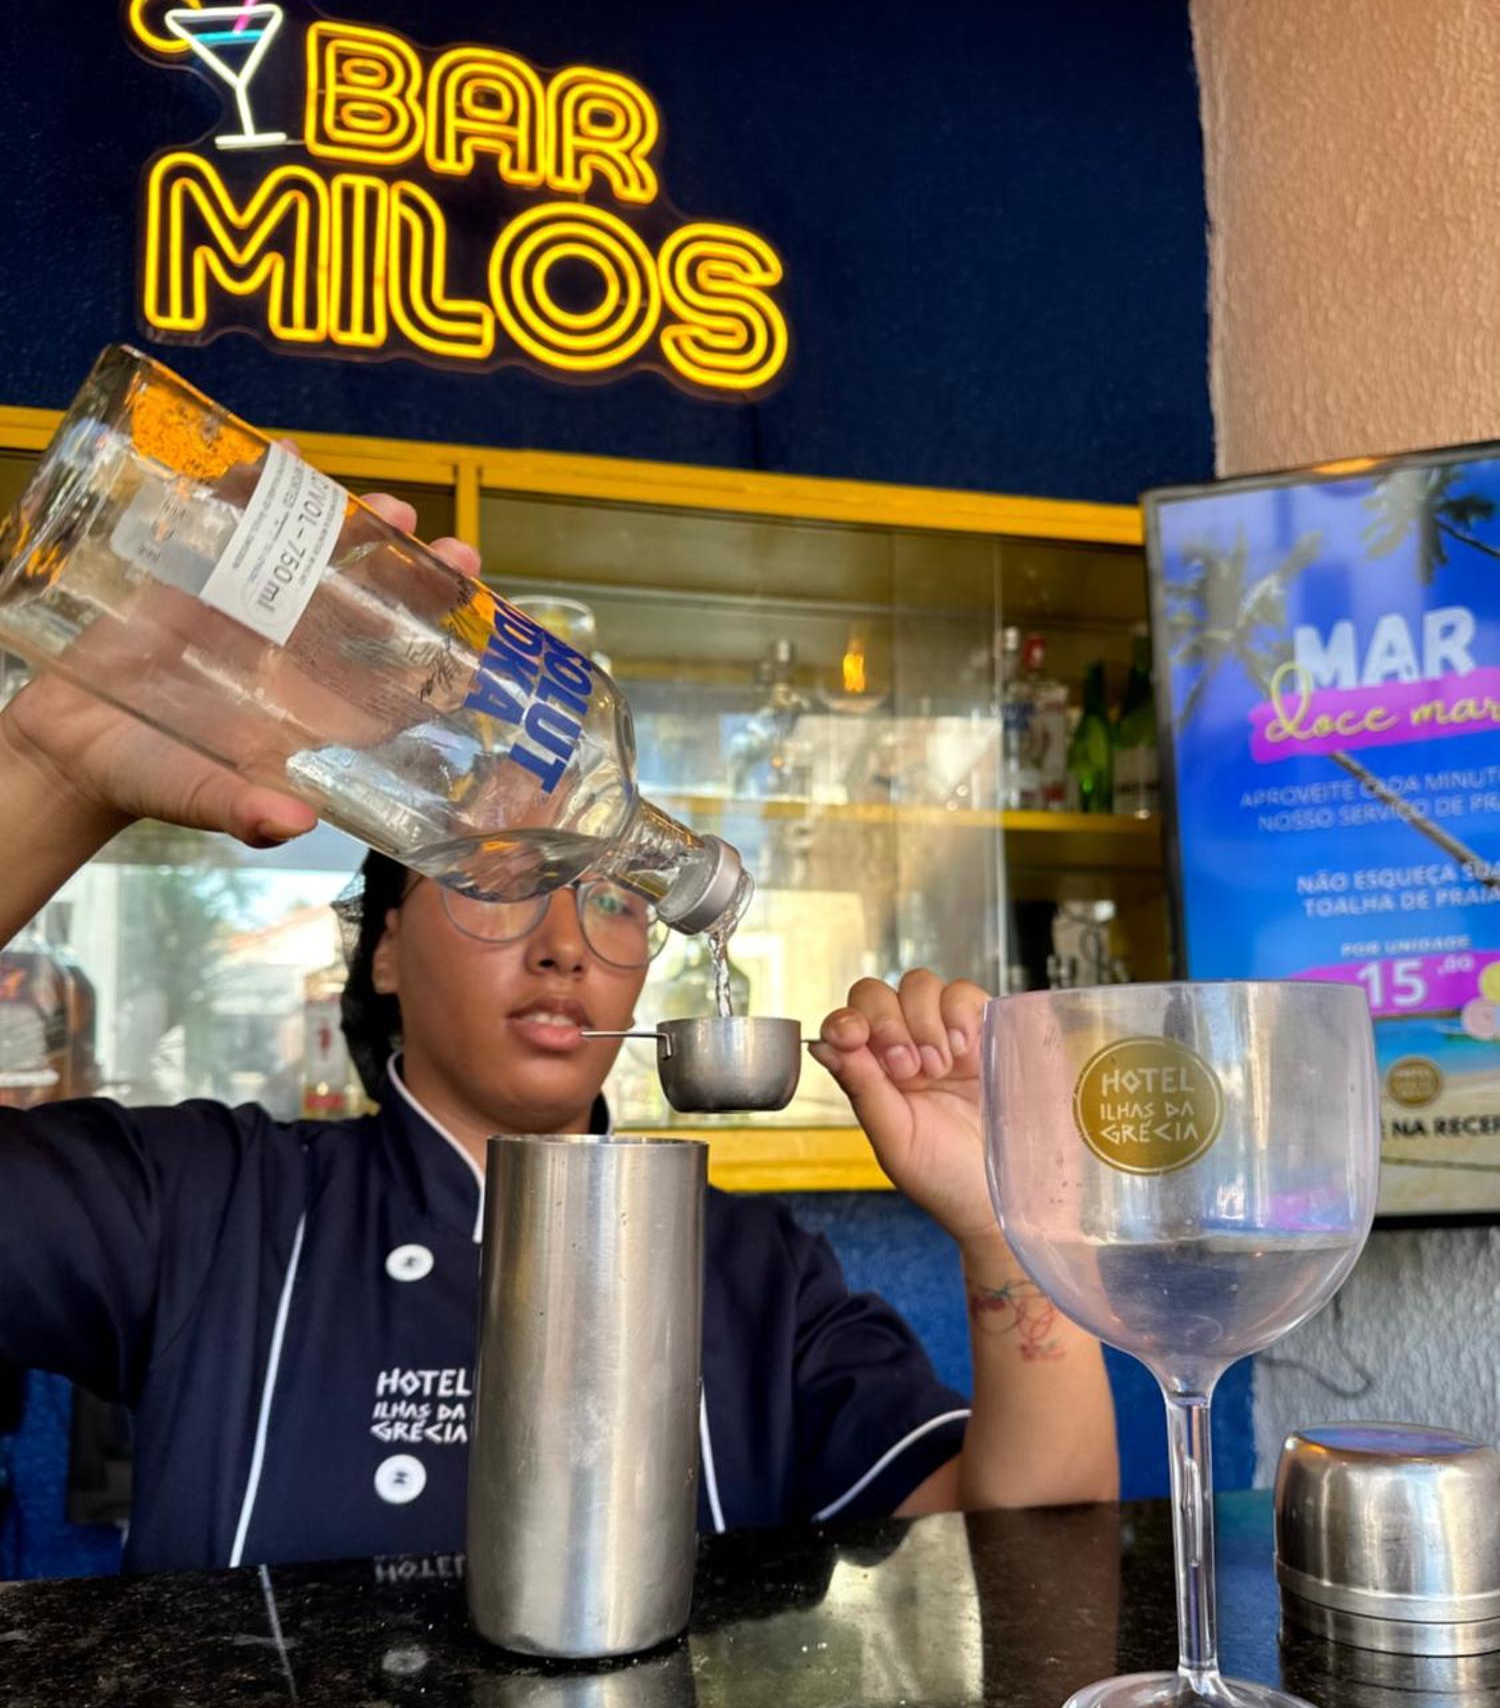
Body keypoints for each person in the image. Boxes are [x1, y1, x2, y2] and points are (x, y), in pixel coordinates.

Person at [0, 494, 1117, 1573]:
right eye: (499, 878)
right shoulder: (206, 1202)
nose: (568, 945)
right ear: (383, 947)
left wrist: (1006, 1227)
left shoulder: (753, 1275)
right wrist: (46, 775)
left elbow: (1031, 1566)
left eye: (619, 897)